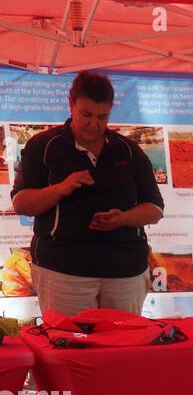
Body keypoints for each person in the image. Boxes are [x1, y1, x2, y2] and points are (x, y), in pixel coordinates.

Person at [11, 70, 164, 316]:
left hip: (125, 271)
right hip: (63, 271)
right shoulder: (43, 146)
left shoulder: (128, 150)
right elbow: (21, 204)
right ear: (71, 105)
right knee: (70, 349)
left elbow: (155, 209)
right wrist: (60, 189)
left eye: (102, 117)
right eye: (86, 115)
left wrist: (122, 219)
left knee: (123, 350)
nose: (94, 124)